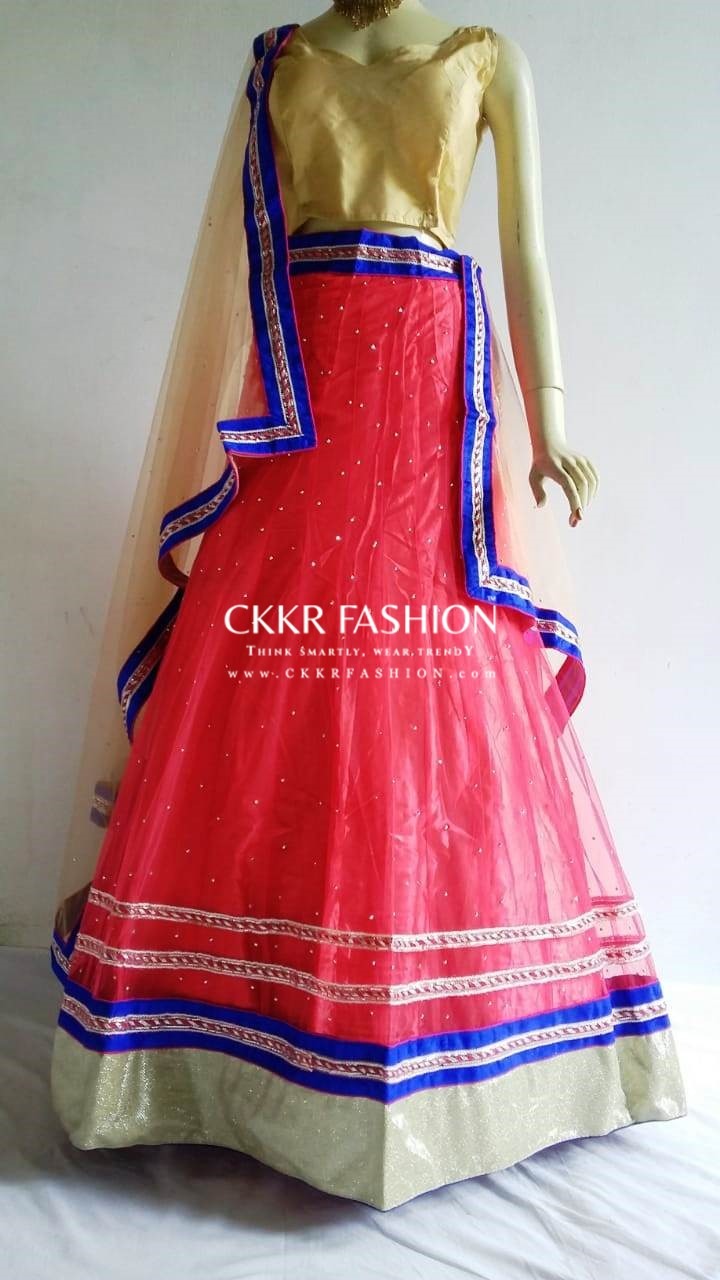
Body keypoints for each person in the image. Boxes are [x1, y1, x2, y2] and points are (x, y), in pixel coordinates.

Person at [49, 1, 687, 1211]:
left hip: (433, 378)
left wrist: (551, 420)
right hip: (302, 384)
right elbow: (237, 257)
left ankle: (468, 1037)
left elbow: (526, 249)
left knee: (440, 665)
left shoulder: (485, 58)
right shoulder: (279, 62)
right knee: (269, 663)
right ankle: (225, 1038)